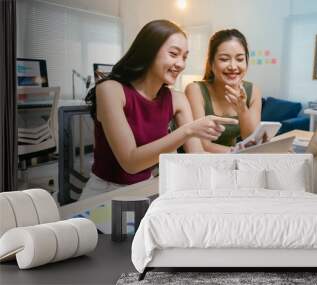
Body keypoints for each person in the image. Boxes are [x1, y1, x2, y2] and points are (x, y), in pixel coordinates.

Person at [82, 20, 237, 199]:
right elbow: (130, 162)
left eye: (185, 57)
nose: (180, 63)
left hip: (147, 188)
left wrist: (237, 156)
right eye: (173, 54)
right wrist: (189, 130)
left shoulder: (177, 99)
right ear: (149, 51)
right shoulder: (110, 90)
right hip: (105, 193)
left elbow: (197, 155)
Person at [185, 29, 262, 153]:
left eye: (240, 59)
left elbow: (251, 141)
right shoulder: (195, 90)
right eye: (224, 59)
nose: (233, 66)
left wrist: (242, 109)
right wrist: (238, 153)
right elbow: (202, 146)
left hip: (230, 161)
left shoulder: (253, 91)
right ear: (211, 62)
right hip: (198, 163)